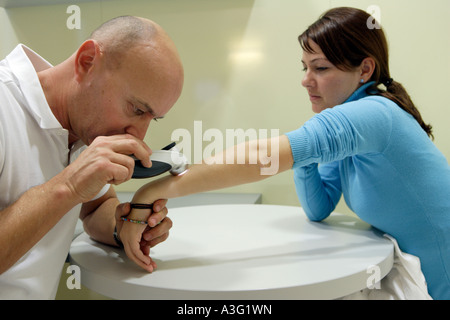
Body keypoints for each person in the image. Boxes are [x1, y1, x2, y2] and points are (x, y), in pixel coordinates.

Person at [119, 7, 450, 299]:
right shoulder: (352, 125)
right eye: (304, 67)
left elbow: (263, 157)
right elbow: (318, 208)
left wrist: (154, 189)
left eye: (320, 68)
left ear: (364, 70)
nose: (306, 81)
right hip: (408, 275)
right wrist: (305, 152)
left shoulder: (374, 114)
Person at [0, 16, 183, 299]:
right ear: (87, 61)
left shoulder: (84, 126)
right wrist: (69, 187)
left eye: (152, 119)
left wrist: (122, 228)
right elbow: (74, 191)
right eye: (135, 109)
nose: (139, 135)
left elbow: (96, 207)